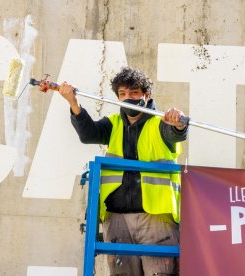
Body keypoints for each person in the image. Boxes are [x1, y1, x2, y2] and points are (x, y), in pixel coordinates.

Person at [58, 67, 188, 275]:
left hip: (155, 217)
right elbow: (88, 134)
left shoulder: (160, 123)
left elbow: (175, 134)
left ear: (146, 95)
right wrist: (73, 103)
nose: (128, 98)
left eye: (134, 93)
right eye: (122, 94)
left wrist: (178, 124)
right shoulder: (114, 124)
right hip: (116, 217)